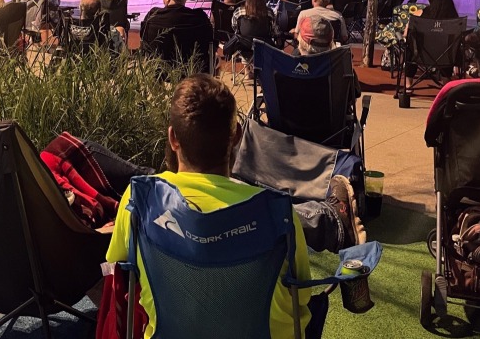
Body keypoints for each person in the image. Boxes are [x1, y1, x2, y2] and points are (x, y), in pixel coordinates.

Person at [106, 74, 363, 339]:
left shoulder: (140, 200)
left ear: (173, 138)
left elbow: (120, 274)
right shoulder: (276, 213)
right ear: (237, 137)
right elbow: (300, 298)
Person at [140, 0, 214, 73]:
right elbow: (210, 41)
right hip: (193, 70)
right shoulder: (200, 18)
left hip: (159, 71)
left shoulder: (153, 16)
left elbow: (144, 40)